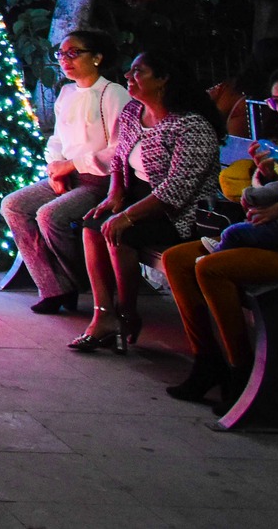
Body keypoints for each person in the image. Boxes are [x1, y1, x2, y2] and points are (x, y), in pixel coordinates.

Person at [159, 66, 278, 403]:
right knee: (177, 259)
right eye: (277, 100)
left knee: (213, 267)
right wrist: (266, 177)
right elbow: (261, 195)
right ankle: (207, 361)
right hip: (277, 236)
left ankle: (242, 371)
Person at [69, 50, 222, 353]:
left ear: (164, 79)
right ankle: (104, 315)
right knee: (91, 224)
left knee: (120, 231)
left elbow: (176, 190)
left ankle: (127, 313)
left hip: (180, 215)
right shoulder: (133, 112)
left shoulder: (191, 126)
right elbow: (119, 160)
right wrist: (115, 196)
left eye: (139, 71)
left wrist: (126, 216)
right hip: (139, 200)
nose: (128, 76)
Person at [1, 29, 129, 314]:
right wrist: (55, 169)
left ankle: (76, 283)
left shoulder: (113, 93)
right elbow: (57, 139)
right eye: (61, 54)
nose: (65, 60)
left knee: (50, 215)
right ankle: (53, 287)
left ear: (97, 57)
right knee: (13, 205)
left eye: (74, 53)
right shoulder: (67, 92)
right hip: (66, 174)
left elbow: (118, 151)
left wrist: (71, 166)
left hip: (100, 181)